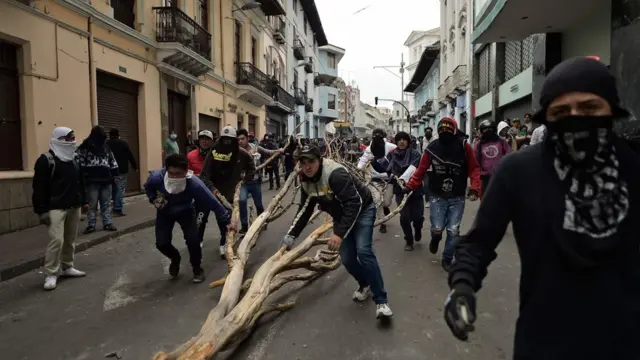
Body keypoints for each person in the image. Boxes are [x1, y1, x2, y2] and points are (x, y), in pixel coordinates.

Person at [444, 56, 640, 358]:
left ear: (611, 110)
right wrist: (462, 285)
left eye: (589, 108)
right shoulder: (518, 172)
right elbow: (478, 243)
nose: (576, 119)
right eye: (561, 112)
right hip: (544, 342)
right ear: (547, 118)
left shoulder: (634, 167)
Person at [281, 145, 393, 319]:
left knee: (364, 251)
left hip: (363, 209)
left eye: (311, 162)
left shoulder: (335, 174)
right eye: (303, 163)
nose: (307, 167)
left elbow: (354, 203)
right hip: (342, 215)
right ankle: (365, 284)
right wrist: (291, 235)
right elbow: (304, 209)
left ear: (320, 160)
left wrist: (339, 234)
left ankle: (381, 301)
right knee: (347, 258)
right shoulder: (305, 179)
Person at [404, 117, 481, 271]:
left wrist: (475, 187)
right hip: (437, 194)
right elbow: (421, 170)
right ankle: (435, 238)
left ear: (454, 130)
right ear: (438, 131)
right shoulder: (431, 148)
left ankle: (447, 258)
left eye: (448, 129)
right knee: (437, 228)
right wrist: (410, 186)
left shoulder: (464, 147)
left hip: (457, 195)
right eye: (442, 129)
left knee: (453, 230)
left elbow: (474, 168)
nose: (445, 132)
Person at [144, 154, 232, 283]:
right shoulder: (156, 178)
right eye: (171, 173)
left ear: (186, 172)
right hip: (164, 212)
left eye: (178, 174)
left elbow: (212, 202)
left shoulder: (194, 184)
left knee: (193, 241)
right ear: (166, 170)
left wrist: (227, 221)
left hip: (186, 212)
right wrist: (154, 199)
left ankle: (197, 269)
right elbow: (148, 187)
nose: (174, 177)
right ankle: (175, 258)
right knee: (161, 243)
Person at [32, 127, 86, 291]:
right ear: (58, 139)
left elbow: (80, 181)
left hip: (73, 206)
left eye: (73, 138)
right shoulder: (46, 160)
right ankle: (51, 273)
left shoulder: (74, 159)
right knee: (57, 240)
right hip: (55, 208)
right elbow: (39, 187)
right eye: (68, 138)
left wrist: (83, 201)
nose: (72, 141)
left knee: (70, 239)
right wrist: (41, 211)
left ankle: (67, 266)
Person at [200, 126, 255, 258]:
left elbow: (251, 166)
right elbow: (204, 175)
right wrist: (212, 189)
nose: (227, 143)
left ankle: (225, 242)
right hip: (214, 193)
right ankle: (206, 241)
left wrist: (245, 179)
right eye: (224, 140)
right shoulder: (213, 153)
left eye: (230, 140)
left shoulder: (241, 153)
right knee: (212, 218)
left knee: (227, 220)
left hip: (231, 193)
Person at [373, 132, 423, 251]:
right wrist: (374, 162)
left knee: (418, 217)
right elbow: (384, 168)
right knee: (404, 217)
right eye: (399, 139)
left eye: (404, 139)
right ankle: (409, 240)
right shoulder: (392, 155)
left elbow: (414, 169)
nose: (401, 142)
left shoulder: (415, 154)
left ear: (408, 141)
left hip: (415, 190)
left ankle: (418, 229)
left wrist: (404, 180)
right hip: (400, 191)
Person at [237, 129, 283, 233]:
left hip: (255, 182)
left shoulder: (256, 147)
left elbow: (268, 152)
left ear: (247, 138)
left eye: (242, 139)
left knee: (258, 204)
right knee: (242, 201)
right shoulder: (236, 151)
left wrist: (278, 151)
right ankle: (244, 226)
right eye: (238, 139)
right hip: (243, 183)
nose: (240, 141)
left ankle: (262, 222)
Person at [76, 126, 119, 234]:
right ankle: (91, 225)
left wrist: (115, 174)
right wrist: (84, 175)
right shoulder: (84, 148)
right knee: (92, 204)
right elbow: (80, 162)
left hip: (106, 180)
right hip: (92, 181)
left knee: (106, 203)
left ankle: (107, 223)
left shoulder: (106, 148)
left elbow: (112, 161)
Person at [357, 128, 397, 233]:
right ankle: (381, 222)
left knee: (387, 202)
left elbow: (398, 156)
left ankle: (385, 207)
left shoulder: (391, 147)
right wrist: (359, 168)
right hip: (374, 178)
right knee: (377, 200)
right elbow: (363, 159)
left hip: (389, 179)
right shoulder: (369, 149)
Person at [187, 130, 215, 246]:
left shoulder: (217, 155)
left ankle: (224, 242)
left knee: (223, 217)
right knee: (200, 217)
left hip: (215, 190)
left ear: (212, 141)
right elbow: (187, 173)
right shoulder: (191, 155)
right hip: (199, 192)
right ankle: (199, 239)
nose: (204, 141)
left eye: (207, 139)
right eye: (202, 138)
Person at [474, 120, 511, 198]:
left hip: (500, 176)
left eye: (490, 129)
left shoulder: (502, 142)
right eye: (485, 129)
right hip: (485, 178)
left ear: (494, 129)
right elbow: (476, 161)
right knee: (485, 201)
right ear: (482, 131)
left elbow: (509, 157)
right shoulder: (479, 145)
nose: (487, 131)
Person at [107, 128, 138, 216]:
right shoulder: (123, 143)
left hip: (110, 170)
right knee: (120, 189)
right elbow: (130, 155)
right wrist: (135, 166)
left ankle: (113, 207)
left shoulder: (106, 144)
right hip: (122, 170)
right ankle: (118, 208)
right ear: (118, 135)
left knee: (113, 189)